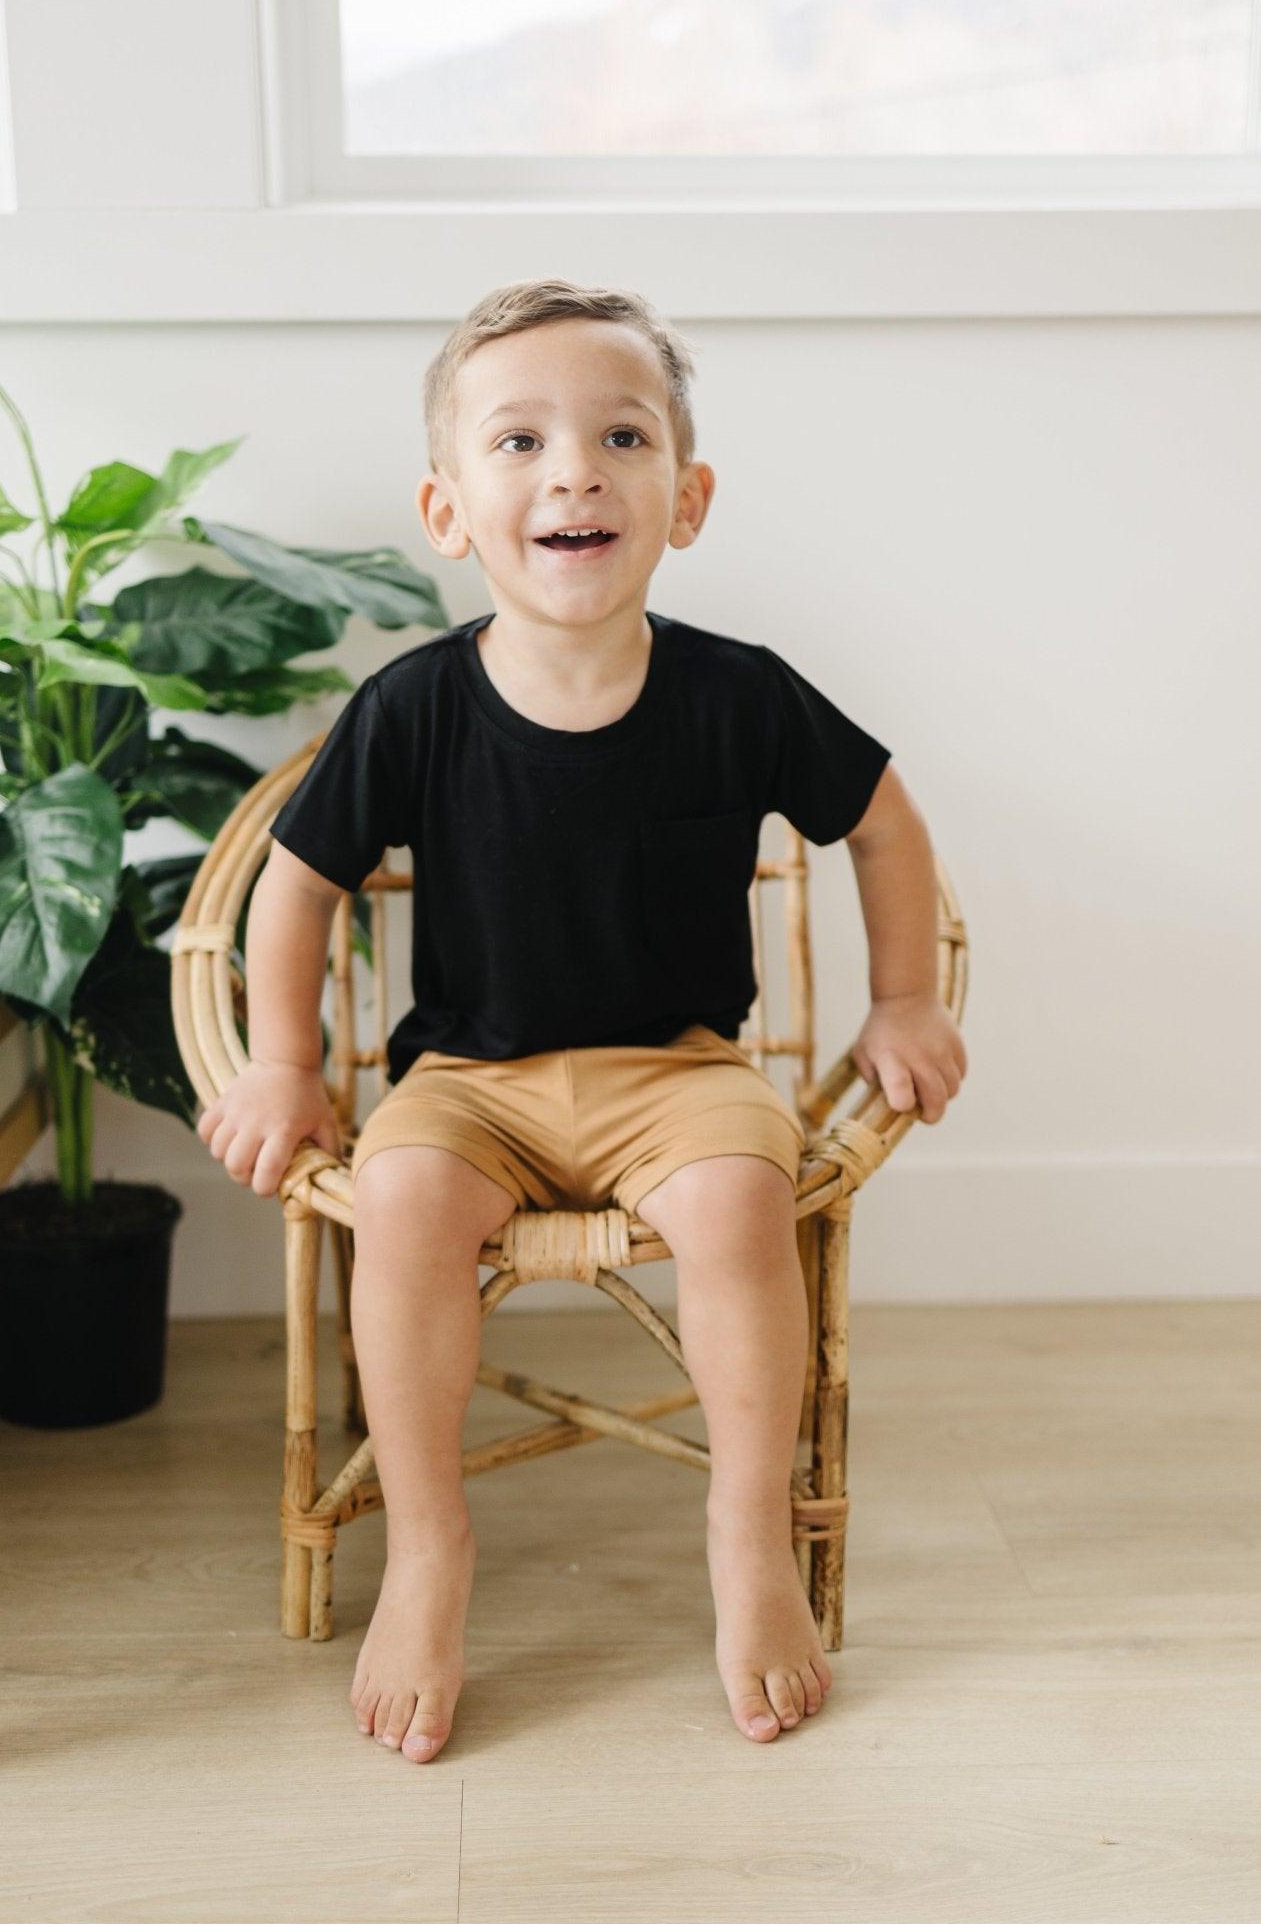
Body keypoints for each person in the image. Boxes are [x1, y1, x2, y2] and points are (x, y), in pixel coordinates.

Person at [197, 277, 967, 1765]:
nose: (574, 474)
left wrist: (904, 999)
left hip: (675, 1071)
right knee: (403, 1202)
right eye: (520, 441)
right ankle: (430, 1545)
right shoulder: (414, 705)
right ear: (448, 510)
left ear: (686, 497)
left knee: (741, 1202)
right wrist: (285, 1061)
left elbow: (882, 824)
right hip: (468, 1077)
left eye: (621, 437)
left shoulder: (739, 694)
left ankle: (744, 1533)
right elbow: (295, 887)